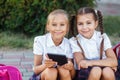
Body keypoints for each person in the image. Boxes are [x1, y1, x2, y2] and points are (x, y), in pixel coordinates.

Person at [69, 7, 118, 80]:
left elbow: (114, 61)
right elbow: (81, 63)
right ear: (76, 25)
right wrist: (106, 62)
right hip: (85, 73)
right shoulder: (74, 41)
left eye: (88, 23)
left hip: (104, 68)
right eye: (80, 24)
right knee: (96, 70)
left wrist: (90, 63)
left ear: (96, 23)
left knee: (107, 71)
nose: (84, 27)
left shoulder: (102, 37)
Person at [31, 9, 75, 80]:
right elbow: (36, 70)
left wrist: (71, 67)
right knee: (51, 71)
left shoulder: (69, 43)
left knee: (64, 70)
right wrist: (45, 65)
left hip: (63, 76)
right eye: (54, 25)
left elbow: (72, 76)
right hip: (45, 75)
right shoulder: (40, 41)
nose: (58, 28)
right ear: (48, 27)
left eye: (62, 25)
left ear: (67, 28)